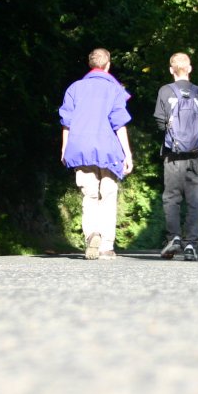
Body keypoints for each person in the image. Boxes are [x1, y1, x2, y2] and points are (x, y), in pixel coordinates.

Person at [59, 47, 134, 260]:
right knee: (108, 194)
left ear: (90, 65)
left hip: (80, 147)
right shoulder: (114, 89)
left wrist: (65, 148)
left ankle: (92, 233)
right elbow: (119, 123)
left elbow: (67, 122)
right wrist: (127, 154)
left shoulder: (74, 88)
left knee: (89, 194)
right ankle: (106, 246)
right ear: (108, 65)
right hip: (108, 149)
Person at [154, 52, 198, 261]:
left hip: (173, 154)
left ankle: (174, 238)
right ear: (190, 68)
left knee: (172, 198)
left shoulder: (164, 91)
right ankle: (191, 246)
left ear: (171, 70)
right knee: (194, 200)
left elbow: (160, 123)